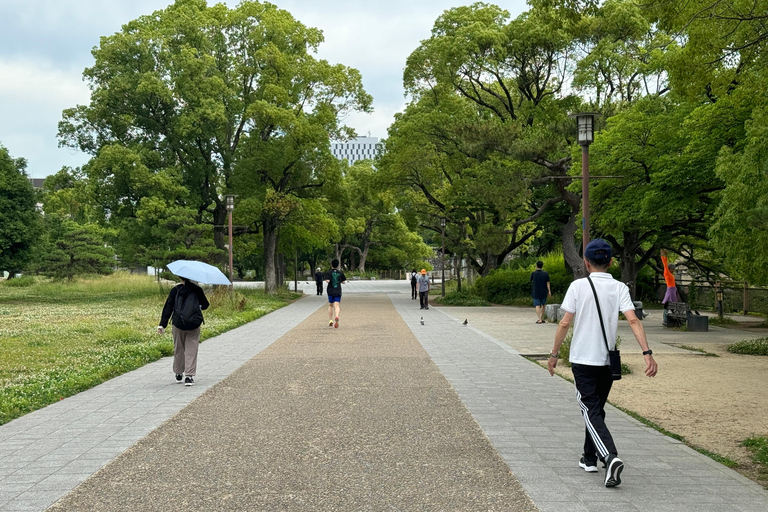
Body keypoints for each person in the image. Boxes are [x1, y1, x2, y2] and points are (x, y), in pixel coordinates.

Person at [547, 239, 657, 488]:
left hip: (583, 359)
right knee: (596, 408)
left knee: (589, 409)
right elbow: (633, 321)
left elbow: (564, 323)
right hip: (608, 360)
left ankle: (609, 456)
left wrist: (554, 354)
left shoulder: (577, 286)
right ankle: (589, 458)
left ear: (586, 263)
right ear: (611, 261)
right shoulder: (619, 288)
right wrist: (647, 353)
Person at [158, 277, 210, 386]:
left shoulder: (175, 290)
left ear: (181, 278)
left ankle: (178, 373)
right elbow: (205, 305)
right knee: (192, 349)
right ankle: (189, 376)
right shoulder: (197, 290)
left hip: (178, 324)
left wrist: (162, 324)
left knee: (179, 348)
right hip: (194, 324)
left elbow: (168, 307)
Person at [324, 259, 347, 328]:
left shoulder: (329, 272)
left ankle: (330, 320)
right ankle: (337, 316)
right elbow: (343, 281)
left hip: (330, 290)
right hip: (338, 290)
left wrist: (328, 280)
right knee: (337, 305)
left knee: (330, 305)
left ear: (331, 265)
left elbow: (327, 281)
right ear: (337, 265)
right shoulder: (340, 272)